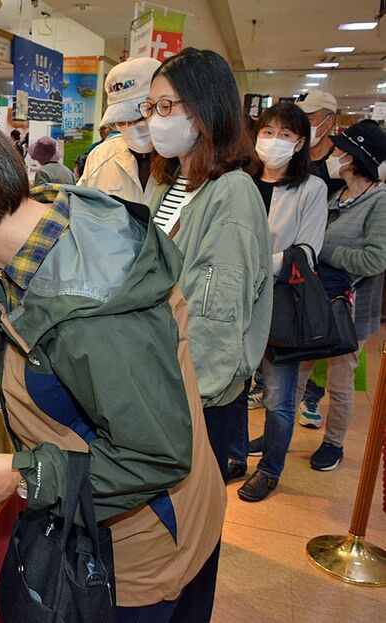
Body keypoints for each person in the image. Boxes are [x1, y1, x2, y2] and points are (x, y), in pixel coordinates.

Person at [0, 97, 225, 619]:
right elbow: (12, 345)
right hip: (107, 510)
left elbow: (157, 455)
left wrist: (21, 475)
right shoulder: (36, 233)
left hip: (144, 542)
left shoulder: (96, 313)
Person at [145, 48, 273, 484]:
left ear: (204, 110)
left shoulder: (231, 193)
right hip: (160, 381)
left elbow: (215, 319)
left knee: (191, 531)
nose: (153, 120)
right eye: (151, 107)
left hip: (195, 399)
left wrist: (177, 401)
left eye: (166, 107)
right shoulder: (172, 183)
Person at [224, 103, 327, 501]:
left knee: (280, 398)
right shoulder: (242, 180)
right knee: (233, 386)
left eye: (286, 135)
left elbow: (308, 251)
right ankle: (234, 455)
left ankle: (270, 469)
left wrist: (254, 265)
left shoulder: (311, 189)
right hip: (238, 301)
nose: (275, 141)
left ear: (301, 143)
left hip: (283, 304)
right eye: (268, 131)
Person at [295, 121, 386, 471]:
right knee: (298, 373)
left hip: (350, 311)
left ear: (354, 158)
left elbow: (375, 259)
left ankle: (334, 443)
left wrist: (323, 251)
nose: (334, 154)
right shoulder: (338, 196)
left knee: (340, 381)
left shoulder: (379, 202)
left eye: (340, 150)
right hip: (318, 303)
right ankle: (280, 435)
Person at [78, 56, 161, 205]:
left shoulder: (186, 158)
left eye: (140, 117)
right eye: (121, 122)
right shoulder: (100, 157)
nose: (131, 127)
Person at [296, 90, 344, 198]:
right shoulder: (289, 154)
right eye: (296, 120)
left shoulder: (344, 158)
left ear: (329, 121)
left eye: (308, 120)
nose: (300, 125)